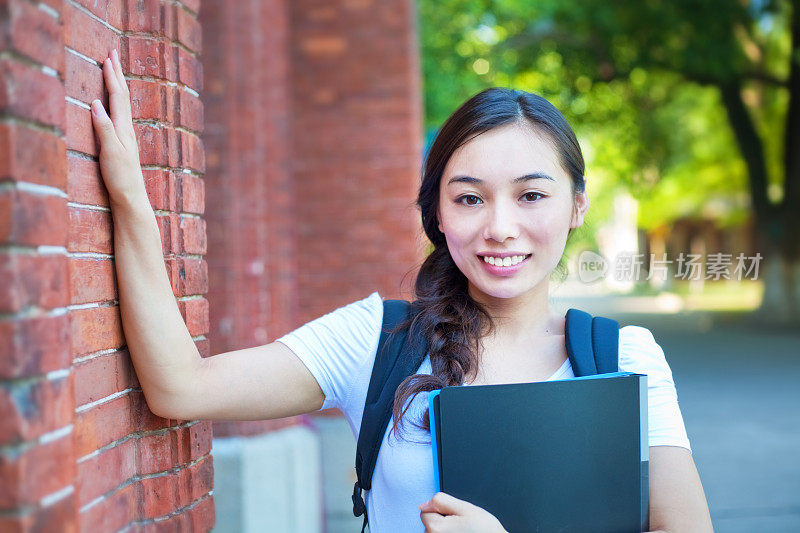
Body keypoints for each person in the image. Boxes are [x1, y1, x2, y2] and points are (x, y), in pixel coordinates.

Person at [91, 49, 714, 532]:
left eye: (531, 195)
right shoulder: (378, 341)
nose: (500, 227)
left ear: (576, 206)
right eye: (469, 198)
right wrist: (129, 204)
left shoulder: (624, 357)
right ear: (438, 215)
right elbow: (180, 386)